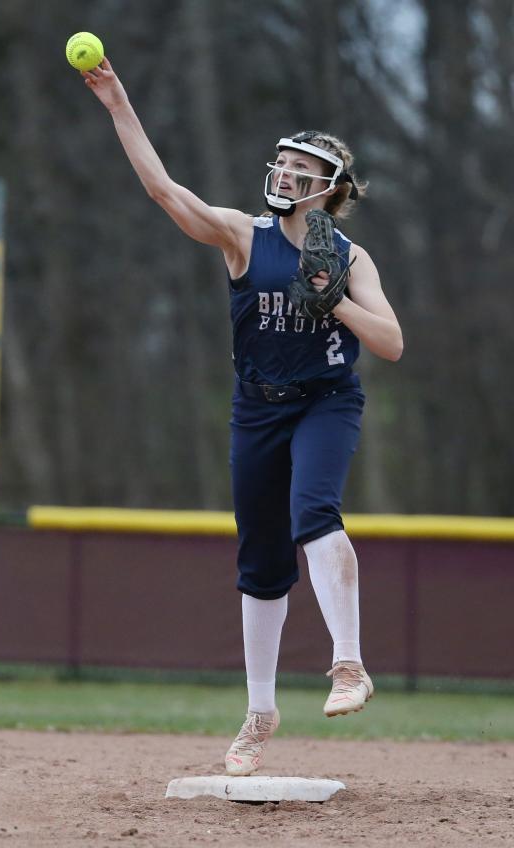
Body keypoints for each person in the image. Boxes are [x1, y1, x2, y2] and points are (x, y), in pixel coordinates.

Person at [82, 59, 403, 776]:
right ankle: (260, 713)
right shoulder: (242, 235)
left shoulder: (350, 258)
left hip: (326, 400)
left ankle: (348, 664)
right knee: (260, 562)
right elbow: (164, 192)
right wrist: (119, 102)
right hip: (256, 409)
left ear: (332, 189)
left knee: (315, 511)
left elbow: (391, 342)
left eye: (302, 167)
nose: (285, 174)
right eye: (282, 163)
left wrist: (335, 301)